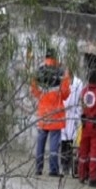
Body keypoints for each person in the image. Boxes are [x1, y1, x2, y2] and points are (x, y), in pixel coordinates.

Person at [31, 47, 71, 177]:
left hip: (43, 111)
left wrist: (43, 99)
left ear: (45, 57)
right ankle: (53, 170)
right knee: (54, 142)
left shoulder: (39, 71)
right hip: (56, 112)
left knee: (41, 141)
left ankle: (38, 168)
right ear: (55, 57)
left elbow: (34, 90)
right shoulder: (61, 72)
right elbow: (65, 94)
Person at [77, 69, 96, 188]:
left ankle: (82, 175)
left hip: (85, 124)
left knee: (83, 151)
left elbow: (81, 105)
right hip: (95, 125)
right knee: (94, 153)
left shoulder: (83, 91)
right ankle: (93, 178)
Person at [60, 74, 83, 176]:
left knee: (72, 141)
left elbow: (80, 99)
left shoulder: (79, 83)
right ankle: (64, 164)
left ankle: (70, 165)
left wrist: (79, 113)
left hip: (73, 114)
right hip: (63, 113)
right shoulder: (62, 81)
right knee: (64, 140)